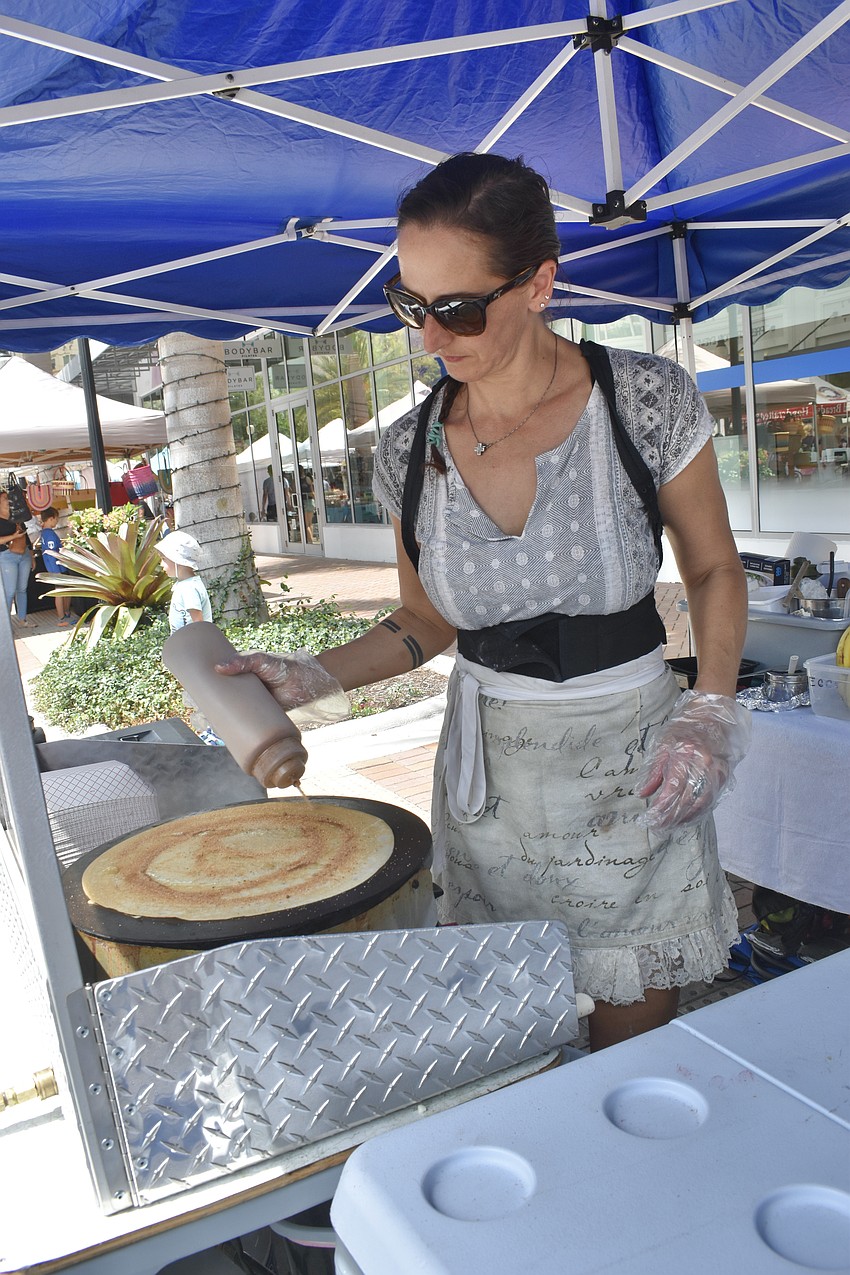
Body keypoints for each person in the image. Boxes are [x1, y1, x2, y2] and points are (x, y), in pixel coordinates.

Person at [218, 153, 751, 1052]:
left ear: (540, 283)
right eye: (410, 304)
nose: (431, 336)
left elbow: (713, 570)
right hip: (492, 782)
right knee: (513, 1030)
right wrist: (312, 674)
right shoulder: (409, 449)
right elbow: (425, 620)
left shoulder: (642, 401)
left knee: (629, 1042)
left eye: (460, 308)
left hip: (633, 764)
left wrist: (711, 711)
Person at [155, 530, 212, 631]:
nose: (161, 564)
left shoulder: (189, 588)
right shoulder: (185, 585)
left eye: (164, 559)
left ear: (177, 560)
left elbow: (199, 625)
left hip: (192, 641)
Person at [0, 488, 34, 628]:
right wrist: (13, 536)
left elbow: (26, 536)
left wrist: (31, 555)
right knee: (9, 591)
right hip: (7, 556)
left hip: (23, 554)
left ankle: (22, 620)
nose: (8, 500)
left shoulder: (16, 516)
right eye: (4, 498)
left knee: (22, 588)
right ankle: (6, 625)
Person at [38, 506, 72, 626]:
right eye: (56, 519)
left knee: (64, 590)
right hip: (56, 567)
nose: (57, 521)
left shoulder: (44, 534)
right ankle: (61, 616)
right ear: (51, 519)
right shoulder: (50, 535)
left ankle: (66, 612)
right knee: (60, 591)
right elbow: (52, 553)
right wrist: (56, 570)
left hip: (55, 567)